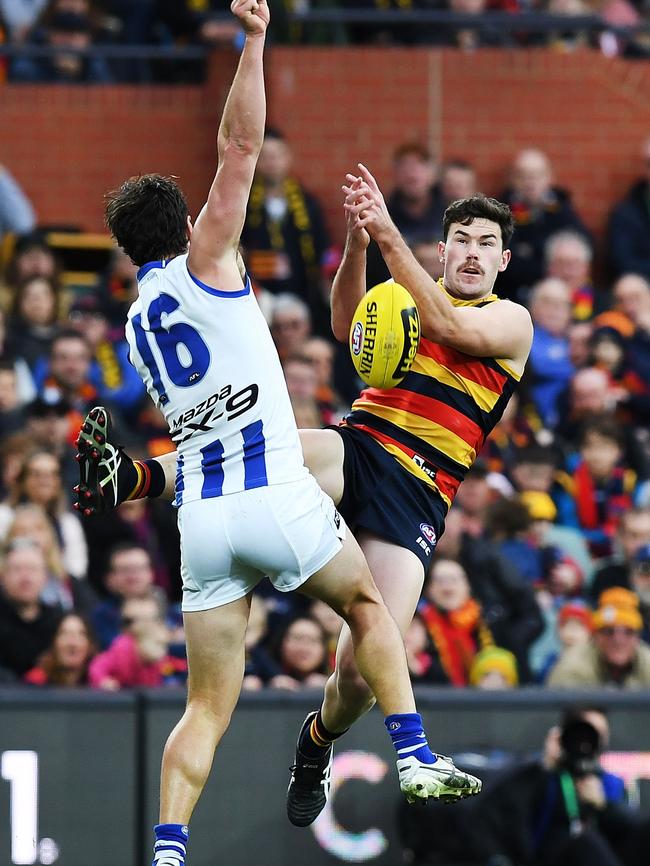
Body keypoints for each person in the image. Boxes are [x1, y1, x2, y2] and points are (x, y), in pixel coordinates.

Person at [75, 4, 480, 864]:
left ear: (121, 252)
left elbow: (195, 436)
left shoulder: (136, 322)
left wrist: (135, 479)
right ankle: (411, 751)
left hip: (206, 525)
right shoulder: (207, 262)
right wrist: (255, 41)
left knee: (206, 708)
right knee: (369, 606)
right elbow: (240, 149)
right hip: (274, 490)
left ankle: (170, 845)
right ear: (187, 227)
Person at [75, 175, 531, 829]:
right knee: (261, 446)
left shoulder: (509, 319)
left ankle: (315, 745)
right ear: (443, 247)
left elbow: (449, 324)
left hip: (422, 493)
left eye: (485, 244)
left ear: (502, 261)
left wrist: (384, 229)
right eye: (460, 239)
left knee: (360, 676)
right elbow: (347, 324)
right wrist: (355, 245)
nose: (470, 253)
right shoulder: (404, 292)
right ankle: (127, 478)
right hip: (362, 446)